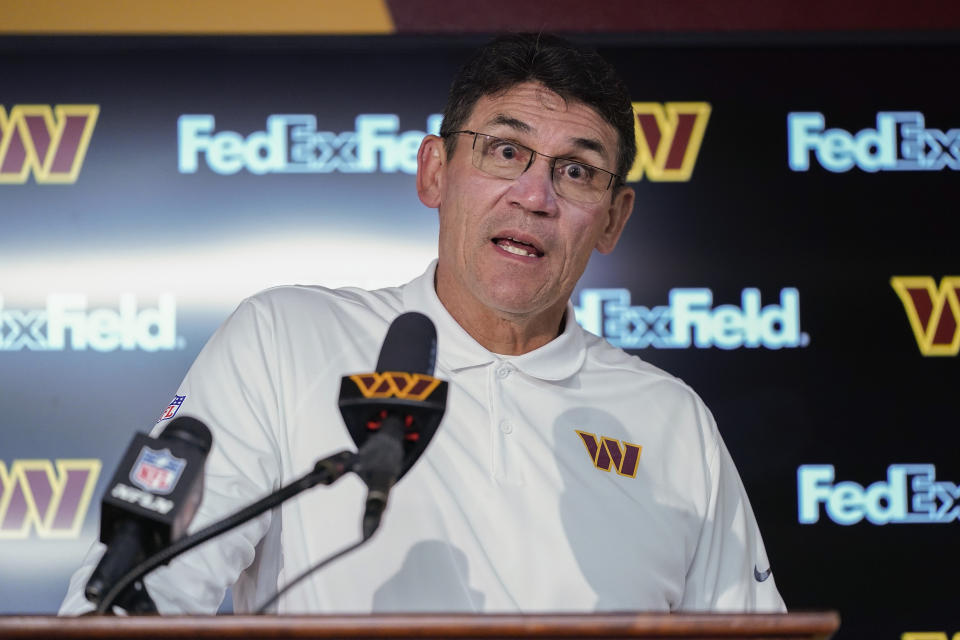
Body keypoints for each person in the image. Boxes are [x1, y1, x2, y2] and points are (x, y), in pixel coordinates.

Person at [61, 33, 785, 614]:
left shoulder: (670, 421)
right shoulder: (285, 339)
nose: (535, 194)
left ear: (614, 219)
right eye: (506, 152)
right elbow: (146, 594)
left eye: (576, 171)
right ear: (434, 170)